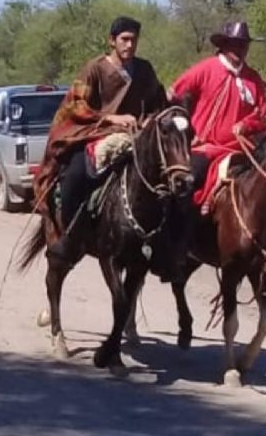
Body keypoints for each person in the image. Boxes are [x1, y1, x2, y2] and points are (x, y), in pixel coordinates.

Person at [33, 16, 167, 263]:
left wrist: (150, 120)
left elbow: (158, 102)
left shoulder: (145, 69)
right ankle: (71, 233)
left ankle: (165, 245)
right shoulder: (94, 68)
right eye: (124, 39)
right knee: (75, 174)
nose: (129, 45)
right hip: (92, 132)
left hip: (135, 135)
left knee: (168, 176)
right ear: (112, 41)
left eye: (134, 40)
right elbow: (76, 105)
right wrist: (110, 118)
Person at [168, 21, 266, 279]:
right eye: (234, 44)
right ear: (223, 45)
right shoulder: (205, 69)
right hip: (206, 148)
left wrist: (247, 124)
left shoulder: (253, 78)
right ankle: (178, 244)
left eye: (243, 44)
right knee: (188, 182)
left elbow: (263, 115)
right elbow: (174, 95)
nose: (239, 49)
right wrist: (187, 130)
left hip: (243, 148)